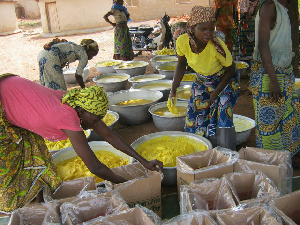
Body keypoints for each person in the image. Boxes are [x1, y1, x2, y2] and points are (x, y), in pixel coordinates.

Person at [0, 73, 163, 213]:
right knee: (7, 165)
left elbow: (109, 135)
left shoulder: (80, 105)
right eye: (94, 119)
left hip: (13, 89)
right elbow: (95, 167)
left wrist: (144, 161)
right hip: (4, 98)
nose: (96, 124)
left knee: (30, 154)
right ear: (81, 112)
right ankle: (10, 209)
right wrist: (127, 184)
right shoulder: (67, 116)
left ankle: (34, 194)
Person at [168, 6, 240, 151]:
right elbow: (181, 64)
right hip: (202, 80)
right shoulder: (182, 42)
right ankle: (201, 149)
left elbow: (231, 70)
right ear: (192, 28)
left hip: (225, 80)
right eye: (203, 29)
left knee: (223, 113)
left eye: (211, 29)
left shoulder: (216, 46)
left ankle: (225, 152)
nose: (208, 33)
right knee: (195, 113)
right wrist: (173, 90)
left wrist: (216, 93)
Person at [249, 0, 300, 156]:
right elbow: (263, 44)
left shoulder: (283, 9)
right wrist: (273, 80)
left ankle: (287, 157)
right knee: (268, 125)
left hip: (282, 74)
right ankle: (273, 162)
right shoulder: (269, 6)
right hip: (269, 75)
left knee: (288, 116)